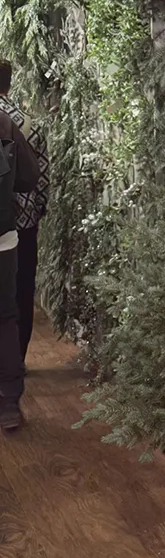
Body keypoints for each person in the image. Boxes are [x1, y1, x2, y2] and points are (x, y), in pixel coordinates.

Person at [0, 60, 47, 432]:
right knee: (11, 311)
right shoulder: (20, 123)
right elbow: (35, 178)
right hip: (12, 230)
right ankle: (10, 396)